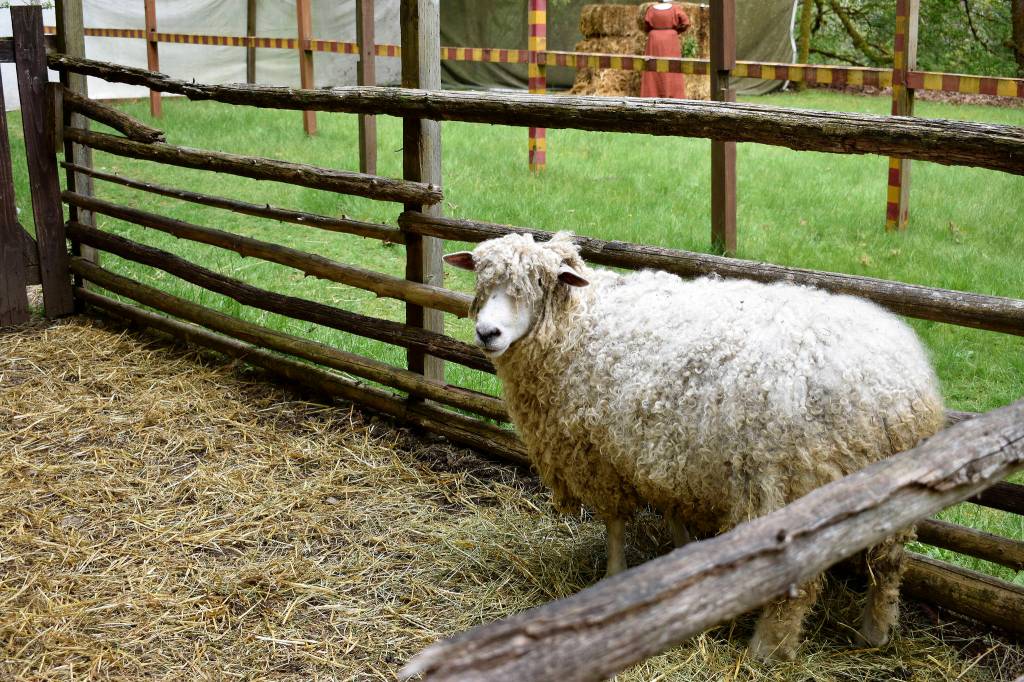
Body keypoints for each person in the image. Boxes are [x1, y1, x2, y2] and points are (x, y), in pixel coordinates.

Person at [640, 2, 691, 98]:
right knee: (673, 68)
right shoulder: (675, 9)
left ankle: (652, 94)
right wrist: (675, 31)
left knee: (652, 68)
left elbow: (646, 25)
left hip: (654, 40)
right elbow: (686, 22)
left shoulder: (651, 9)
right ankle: (674, 95)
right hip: (671, 40)